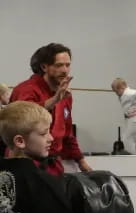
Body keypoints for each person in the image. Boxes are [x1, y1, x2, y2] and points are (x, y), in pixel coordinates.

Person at [10, 43, 92, 176]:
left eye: (68, 65)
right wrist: (54, 100)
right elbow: (24, 120)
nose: (65, 70)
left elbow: (67, 133)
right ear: (44, 67)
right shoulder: (26, 89)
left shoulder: (64, 95)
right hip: (26, 165)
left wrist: (81, 160)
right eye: (59, 65)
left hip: (53, 165)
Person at [111, 78, 136, 154]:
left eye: (116, 91)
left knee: (127, 139)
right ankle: (132, 158)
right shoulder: (124, 95)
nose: (116, 93)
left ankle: (131, 159)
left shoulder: (128, 93)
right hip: (133, 120)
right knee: (131, 140)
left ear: (122, 87)